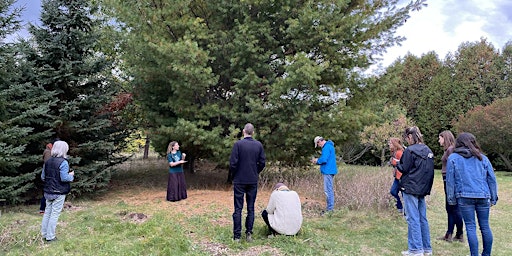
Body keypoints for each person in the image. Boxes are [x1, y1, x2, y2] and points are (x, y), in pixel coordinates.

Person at [446, 133, 498, 256]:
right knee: (485, 226)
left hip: (464, 196)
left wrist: (451, 199)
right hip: (483, 195)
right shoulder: (483, 158)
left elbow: (450, 181)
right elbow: (491, 179)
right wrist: (493, 197)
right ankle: (486, 254)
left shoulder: (453, 158)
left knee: (470, 227)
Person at [397, 126, 434, 256]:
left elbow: (404, 168)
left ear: (410, 137)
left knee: (413, 218)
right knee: (422, 218)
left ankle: (416, 249)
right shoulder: (428, 150)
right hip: (422, 188)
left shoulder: (410, 151)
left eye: (407, 138)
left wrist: (396, 163)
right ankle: (426, 248)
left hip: (411, 187)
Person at [229, 123, 266, 242]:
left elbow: (233, 163)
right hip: (252, 179)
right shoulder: (258, 145)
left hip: (239, 179)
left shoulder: (238, 145)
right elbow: (262, 163)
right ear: (253, 132)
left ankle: (237, 236)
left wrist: (234, 175)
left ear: (243, 131)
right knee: (251, 207)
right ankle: (249, 233)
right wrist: (255, 172)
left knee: (238, 208)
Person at [40, 140, 74, 242]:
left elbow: (43, 177)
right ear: (64, 150)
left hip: (48, 191)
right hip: (59, 192)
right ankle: (50, 237)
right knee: (54, 214)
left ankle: (44, 234)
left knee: (47, 213)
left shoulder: (48, 162)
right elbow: (64, 178)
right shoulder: (63, 162)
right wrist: (71, 176)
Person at [437, 130, 464, 242]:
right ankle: (450, 233)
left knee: (453, 207)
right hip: (447, 180)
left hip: (449, 181)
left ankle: (459, 233)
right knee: (450, 208)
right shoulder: (449, 150)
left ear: (445, 138)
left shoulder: (450, 150)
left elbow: (455, 166)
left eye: (440, 138)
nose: (439, 140)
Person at [310, 136, 338, 214]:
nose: (319, 146)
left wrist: (316, 161)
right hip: (330, 170)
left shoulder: (326, 147)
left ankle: (330, 210)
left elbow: (324, 159)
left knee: (328, 190)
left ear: (320, 141)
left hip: (328, 171)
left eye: (318, 144)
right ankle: (329, 208)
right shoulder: (329, 146)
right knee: (329, 190)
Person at [388, 137, 404, 214]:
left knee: (396, 192)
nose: (389, 145)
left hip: (401, 177)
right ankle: (400, 207)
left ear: (395, 144)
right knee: (393, 192)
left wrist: (393, 162)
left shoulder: (399, 153)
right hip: (398, 177)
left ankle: (403, 209)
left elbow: (403, 164)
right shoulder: (395, 152)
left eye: (390, 143)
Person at [39, 143, 53, 214]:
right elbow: (47, 164)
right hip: (48, 177)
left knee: (46, 193)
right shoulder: (48, 152)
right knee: (46, 194)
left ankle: (43, 209)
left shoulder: (47, 151)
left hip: (47, 176)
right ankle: (42, 209)